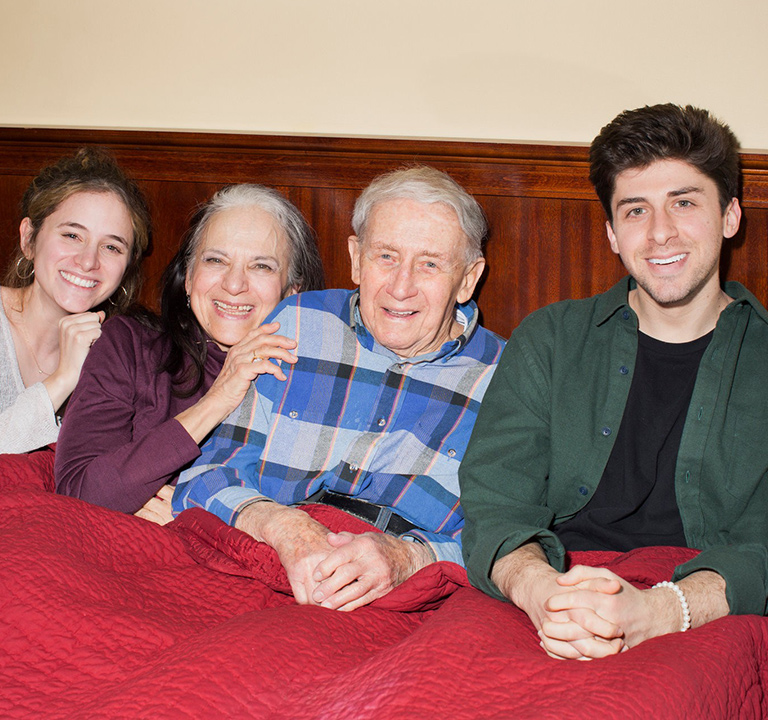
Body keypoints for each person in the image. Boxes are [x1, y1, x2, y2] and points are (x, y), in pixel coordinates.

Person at [460, 103, 768, 660]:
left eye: (684, 203)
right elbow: (496, 502)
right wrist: (542, 594)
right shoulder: (550, 338)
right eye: (635, 211)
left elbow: (762, 549)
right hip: (548, 593)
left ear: (730, 217)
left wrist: (660, 612)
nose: (659, 233)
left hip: (701, 613)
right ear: (610, 233)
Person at [174, 165, 506, 610]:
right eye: (385, 256)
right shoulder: (296, 324)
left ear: (467, 279)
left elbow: (506, 539)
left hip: (395, 598)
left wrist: (408, 557)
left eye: (429, 264)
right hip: (257, 560)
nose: (401, 286)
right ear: (355, 258)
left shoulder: (506, 379)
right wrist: (281, 526)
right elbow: (205, 476)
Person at [55, 184, 324, 524]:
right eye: (215, 260)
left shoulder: (319, 375)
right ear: (188, 275)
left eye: (261, 267)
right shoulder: (129, 344)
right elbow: (81, 493)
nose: (234, 284)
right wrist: (218, 399)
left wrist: (196, 513)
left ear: (292, 288)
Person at [0, 147, 152, 454]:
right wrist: (63, 378)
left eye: (111, 247)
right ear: (29, 238)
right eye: (72, 235)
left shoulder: (122, 352)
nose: (87, 262)